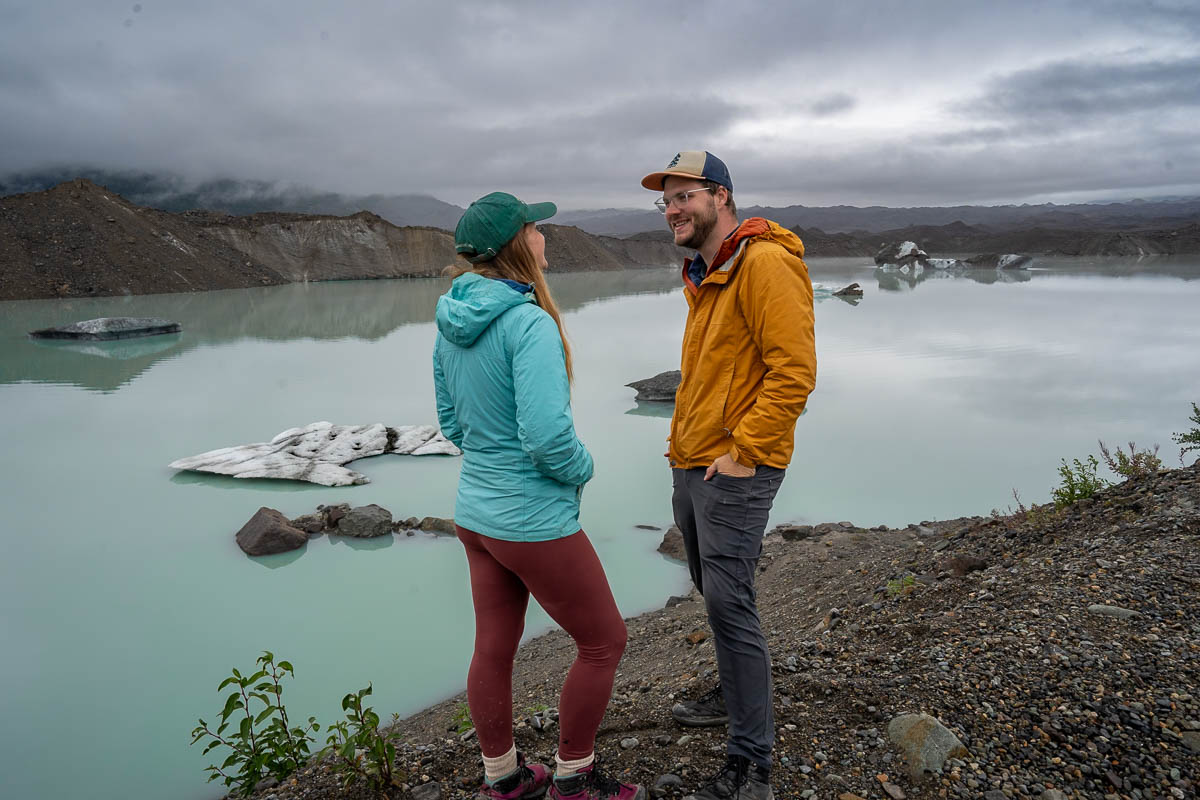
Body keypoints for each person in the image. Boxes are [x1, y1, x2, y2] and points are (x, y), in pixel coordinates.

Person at [433, 191, 645, 800]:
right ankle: (575, 780)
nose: (544, 236)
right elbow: (548, 437)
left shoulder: (451, 317)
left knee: (493, 649)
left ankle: (505, 778)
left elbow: (451, 423)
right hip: (531, 520)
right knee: (605, 642)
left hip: (475, 515)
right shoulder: (529, 323)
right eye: (535, 228)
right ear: (518, 245)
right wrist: (582, 467)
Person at [639, 152, 816, 800]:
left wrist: (743, 452)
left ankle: (753, 763)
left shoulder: (765, 263)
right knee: (710, 588)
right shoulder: (709, 271)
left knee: (728, 599)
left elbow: (793, 371)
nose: (672, 211)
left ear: (721, 195)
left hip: (735, 464)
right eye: (665, 202)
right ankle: (737, 693)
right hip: (695, 459)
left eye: (683, 196)